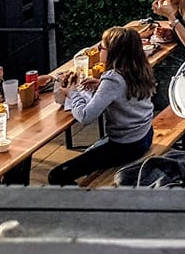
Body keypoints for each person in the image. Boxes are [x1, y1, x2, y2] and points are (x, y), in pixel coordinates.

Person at [48, 27, 156, 186]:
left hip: (126, 146)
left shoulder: (113, 78)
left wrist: (72, 92)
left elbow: (85, 117)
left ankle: (86, 207)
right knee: (90, 153)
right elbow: (124, 90)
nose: (98, 50)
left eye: (101, 47)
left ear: (113, 52)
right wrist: (101, 86)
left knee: (57, 175)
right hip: (145, 135)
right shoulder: (139, 68)